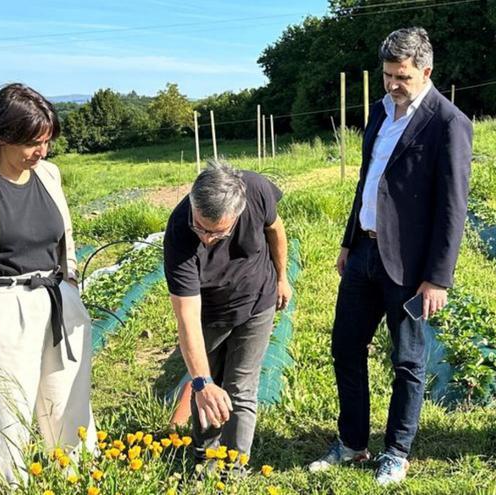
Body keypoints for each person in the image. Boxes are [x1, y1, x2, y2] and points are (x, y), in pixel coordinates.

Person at [307, 27, 472, 485]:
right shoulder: (379, 113)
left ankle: (396, 451)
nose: (393, 85)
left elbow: (452, 208)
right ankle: (353, 442)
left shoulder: (448, 122)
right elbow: (368, 180)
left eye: (402, 76)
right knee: (345, 347)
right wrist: (347, 239)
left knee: (408, 361)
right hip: (363, 251)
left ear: (426, 71)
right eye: (387, 75)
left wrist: (437, 279)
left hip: (410, 265)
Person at [0, 83, 96, 483]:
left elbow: (65, 238)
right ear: (2, 135)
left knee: (69, 404)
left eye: (46, 141)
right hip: (1, 306)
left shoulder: (48, 174)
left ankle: (78, 482)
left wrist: (71, 282)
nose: (41, 151)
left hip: (58, 299)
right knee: (7, 415)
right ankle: (10, 488)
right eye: (32, 142)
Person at [163, 159, 291, 469]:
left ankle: (234, 469)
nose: (206, 238)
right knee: (205, 384)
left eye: (217, 234)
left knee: (241, 387)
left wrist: (282, 276)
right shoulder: (180, 234)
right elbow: (187, 319)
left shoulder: (257, 191)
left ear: (237, 215)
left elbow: (275, 228)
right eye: (201, 227)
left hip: (257, 297)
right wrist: (203, 382)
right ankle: (205, 458)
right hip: (210, 310)